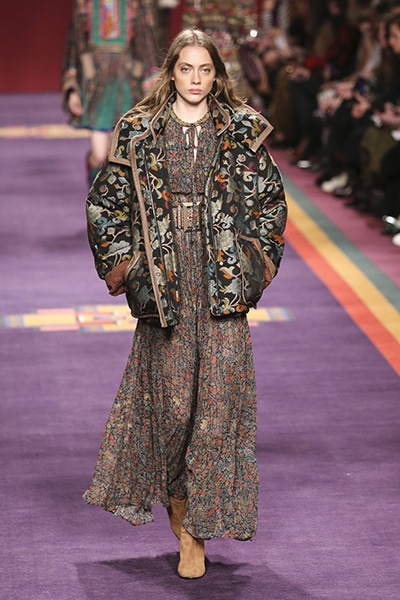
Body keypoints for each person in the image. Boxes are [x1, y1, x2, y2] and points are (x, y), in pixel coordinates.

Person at [83, 28, 287, 579]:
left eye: (205, 70)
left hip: (222, 283)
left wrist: (255, 265)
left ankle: (196, 530)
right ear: (170, 72)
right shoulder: (140, 129)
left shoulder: (241, 129)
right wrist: (129, 270)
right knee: (173, 409)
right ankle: (178, 499)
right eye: (185, 69)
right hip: (166, 284)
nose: (195, 79)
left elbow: (270, 202)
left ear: (217, 75)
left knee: (217, 409)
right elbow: (105, 205)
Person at [62, 0, 159, 186]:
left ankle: (112, 200)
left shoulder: (134, 3)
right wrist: (73, 89)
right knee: (100, 156)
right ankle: (96, 195)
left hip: (127, 84)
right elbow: (75, 45)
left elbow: (145, 44)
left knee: (121, 155)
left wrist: (151, 87)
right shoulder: (84, 3)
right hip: (96, 84)